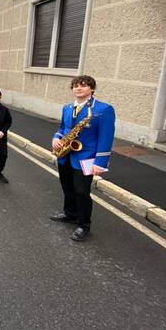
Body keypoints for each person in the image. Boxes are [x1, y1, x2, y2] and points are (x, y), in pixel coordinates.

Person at [50, 75, 115, 242]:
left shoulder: (104, 109)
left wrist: (100, 163)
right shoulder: (66, 108)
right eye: (76, 86)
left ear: (92, 89)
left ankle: (84, 225)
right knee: (67, 186)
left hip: (86, 158)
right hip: (65, 155)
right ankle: (70, 214)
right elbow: (63, 128)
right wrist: (56, 138)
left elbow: (106, 138)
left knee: (82, 192)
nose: (78, 88)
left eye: (83, 85)